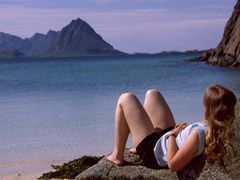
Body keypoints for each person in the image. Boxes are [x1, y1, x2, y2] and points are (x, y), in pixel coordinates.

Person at [107, 84, 237, 171]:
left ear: (208, 108)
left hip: (153, 152)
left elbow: (173, 165)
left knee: (125, 98)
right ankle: (139, 145)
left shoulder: (198, 134)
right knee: (153, 94)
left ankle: (117, 155)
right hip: (164, 139)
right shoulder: (213, 127)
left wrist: (172, 135)